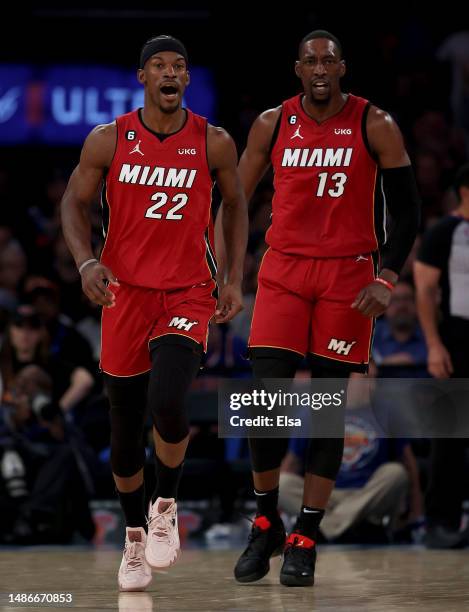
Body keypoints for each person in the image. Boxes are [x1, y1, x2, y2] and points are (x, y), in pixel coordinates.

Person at [218, 30, 420, 587]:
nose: (321, 67)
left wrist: (387, 276)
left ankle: (305, 535)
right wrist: (230, 277)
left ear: (343, 67)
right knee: (267, 397)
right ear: (298, 70)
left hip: (348, 273)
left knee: (329, 409)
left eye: (329, 59)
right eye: (311, 60)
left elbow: (408, 212)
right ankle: (265, 521)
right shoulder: (272, 122)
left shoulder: (374, 123)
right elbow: (234, 201)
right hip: (283, 268)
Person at [61, 35, 248, 591]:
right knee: (123, 428)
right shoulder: (108, 139)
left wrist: (233, 278)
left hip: (188, 292)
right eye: (160, 66)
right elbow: (73, 201)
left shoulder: (212, 141)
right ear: (142, 77)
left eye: (180, 66)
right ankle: (135, 537)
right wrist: (86, 260)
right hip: (124, 293)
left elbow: (236, 205)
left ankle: (165, 501)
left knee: (167, 401)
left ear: (187, 80)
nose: (171, 73)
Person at [414, 162, 469, 549]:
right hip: (455, 340)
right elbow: (424, 293)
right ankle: (440, 521)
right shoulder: (443, 232)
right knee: (449, 436)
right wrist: (434, 344)